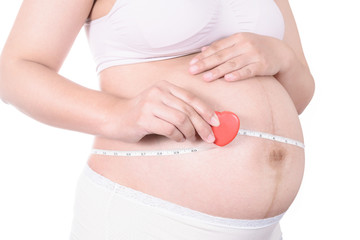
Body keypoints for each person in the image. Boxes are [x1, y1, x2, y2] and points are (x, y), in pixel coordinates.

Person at [0, 0, 314, 239]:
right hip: (146, 218)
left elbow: (298, 96)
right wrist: (116, 114)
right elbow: (14, 71)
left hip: (263, 230)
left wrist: (282, 58)